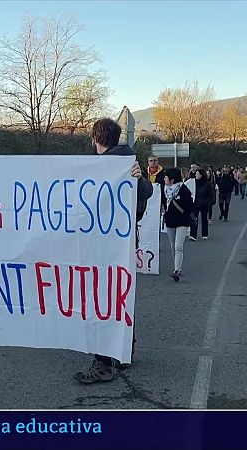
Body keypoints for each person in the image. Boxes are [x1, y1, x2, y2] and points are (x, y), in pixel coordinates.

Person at [75, 118, 153, 385]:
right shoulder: (128, 164)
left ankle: (103, 362)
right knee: (119, 295)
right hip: (123, 244)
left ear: (95, 138)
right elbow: (147, 192)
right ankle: (123, 349)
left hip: (102, 246)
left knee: (101, 300)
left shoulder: (104, 166)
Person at [162, 168, 193, 282]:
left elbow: (190, 205)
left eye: (166, 177)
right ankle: (177, 265)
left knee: (178, 246)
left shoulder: (183, 189)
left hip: (182, 222)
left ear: (172, 179)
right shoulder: (164, 190)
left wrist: (185, 215)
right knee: (172, 246)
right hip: (170, 221)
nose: (164, 179)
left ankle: (177, 270)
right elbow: (163, 203)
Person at [190, 170, 213, 240]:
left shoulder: (207, 183)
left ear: (201, 175)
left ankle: (204, 234)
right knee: (193, 219)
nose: (195, 175)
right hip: (195, 204)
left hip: (204, 204)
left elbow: (211, 195)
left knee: (204, 219)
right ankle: (193, 235)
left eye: (197, 174)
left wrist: (208, 202)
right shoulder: (193, 183)